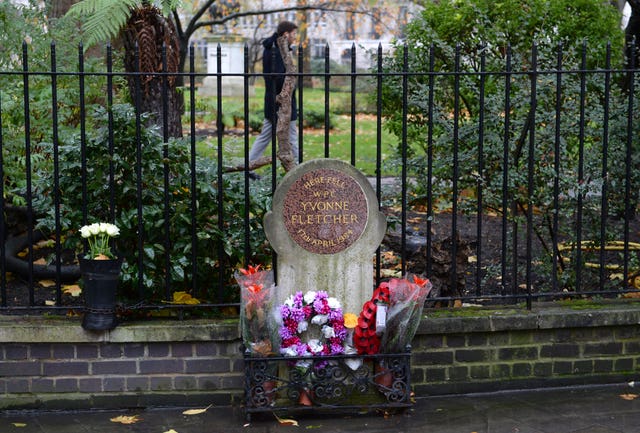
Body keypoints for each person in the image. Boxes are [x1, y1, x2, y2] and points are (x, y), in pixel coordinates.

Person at [248, 21, 299, 179]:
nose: (295, 37)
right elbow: (278, 78)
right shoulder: (275, 51)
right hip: (280, 101)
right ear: (286, 34)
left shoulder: (275, 49)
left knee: (269, 134)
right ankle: (299, 170)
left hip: (277, 100)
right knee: (291, 135)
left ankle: (249, 166)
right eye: (294, 34)